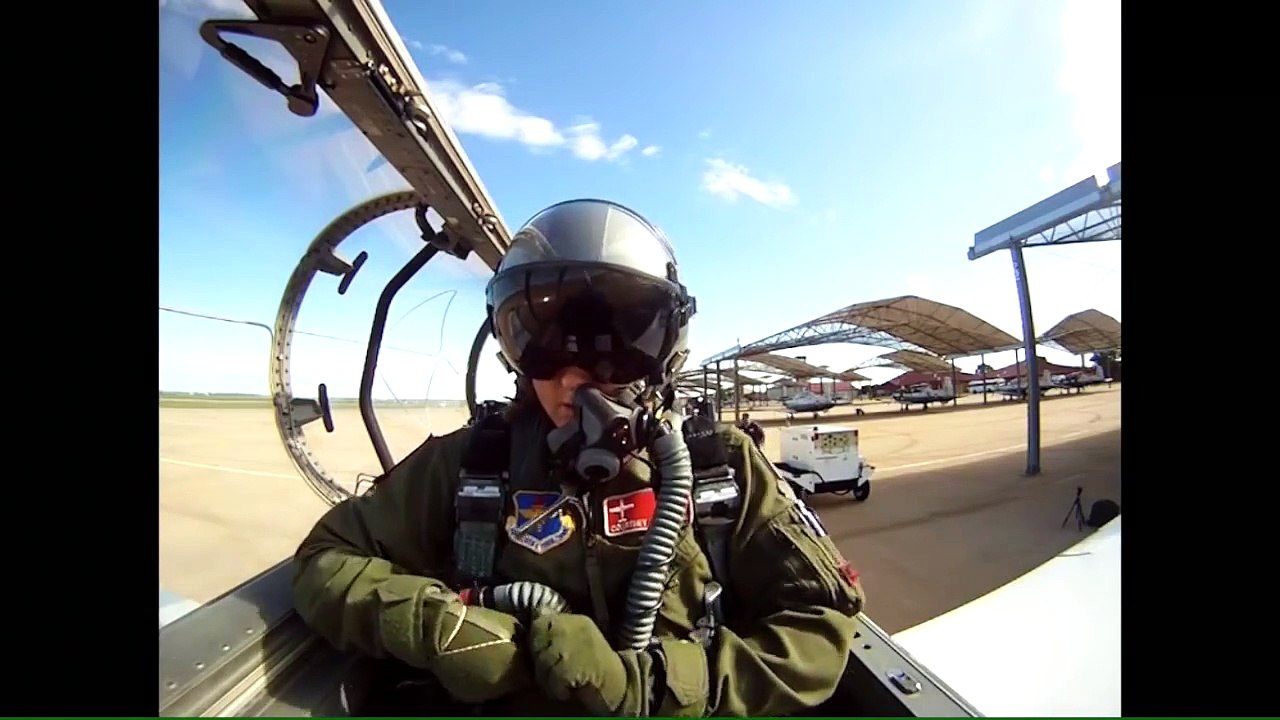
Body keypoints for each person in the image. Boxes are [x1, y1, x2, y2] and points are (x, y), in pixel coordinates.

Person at [291, 199, 865, 717]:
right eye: (539, 341)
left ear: (665, 350)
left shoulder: (719, 470)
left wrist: (660, 687)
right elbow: (327, 559)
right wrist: (437, 626)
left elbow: (818, 627)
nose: (570, 378)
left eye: (613, 344)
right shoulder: (472, 466)